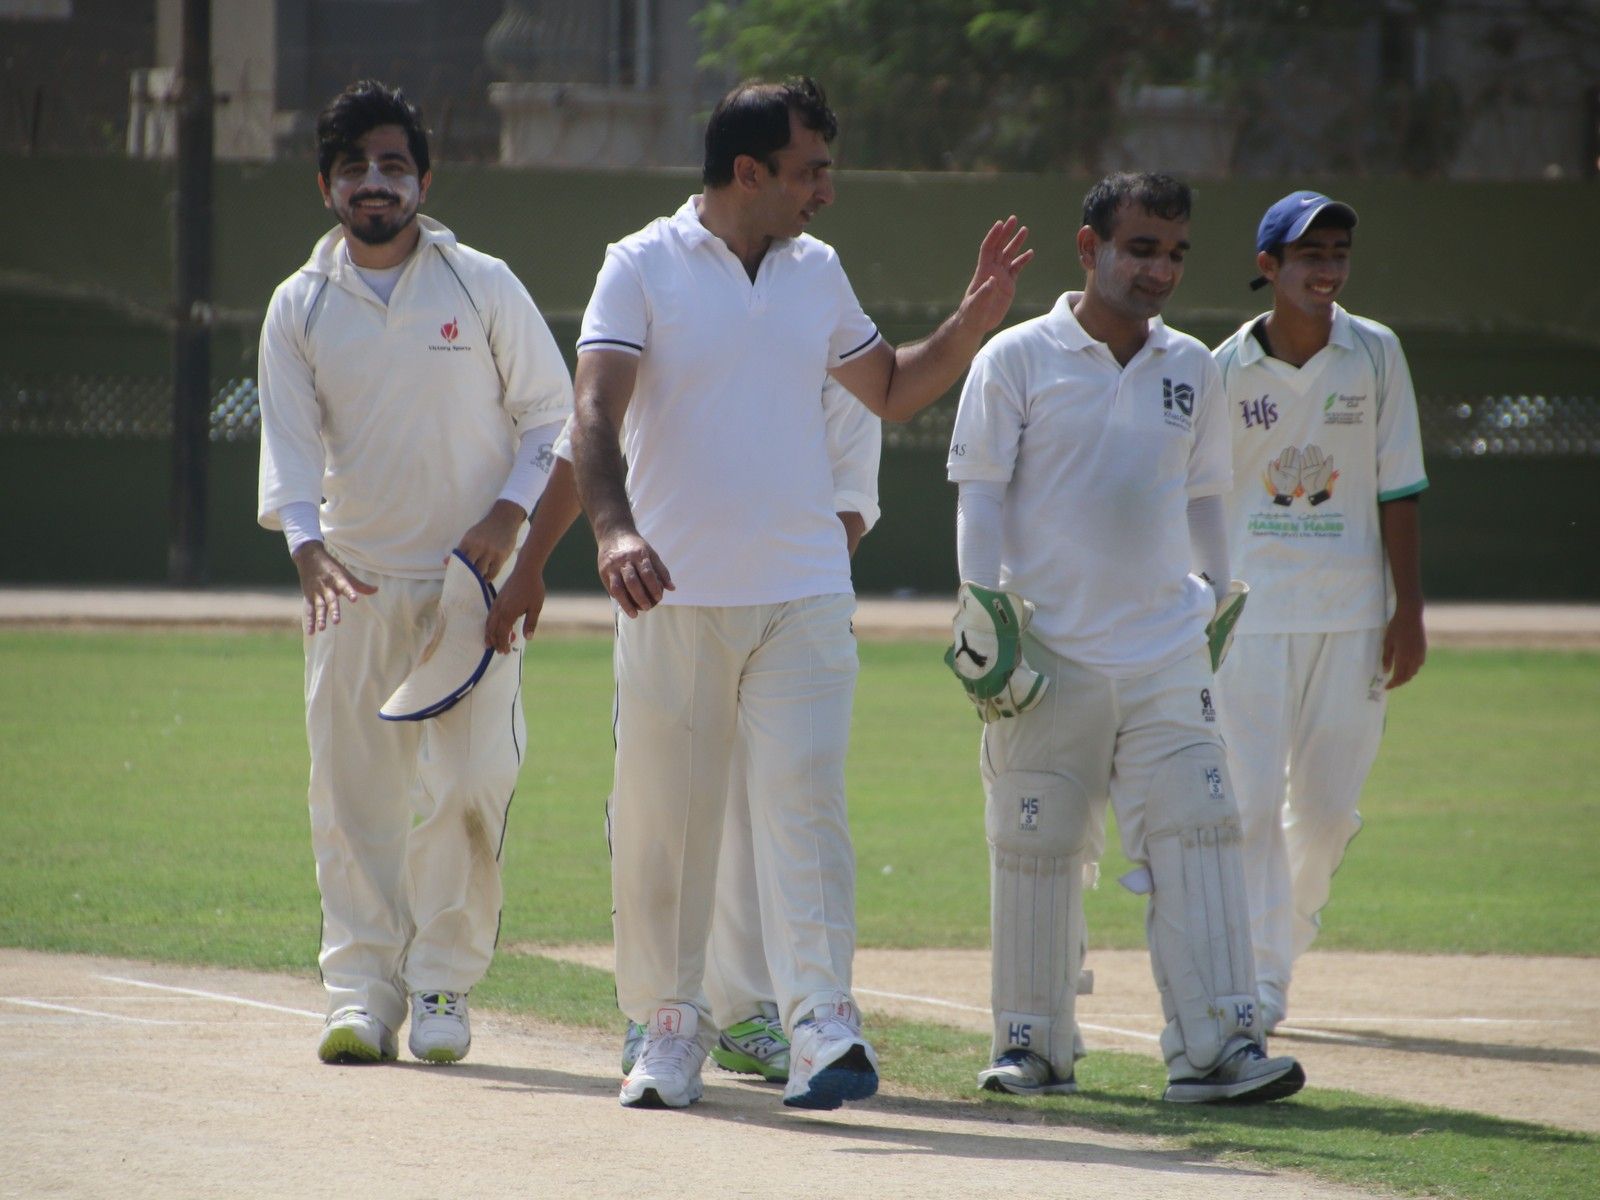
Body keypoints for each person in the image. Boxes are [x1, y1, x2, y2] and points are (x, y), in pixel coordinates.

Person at [567, 75, 1030, 1111]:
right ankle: (669, 1029)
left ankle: (820, 1022)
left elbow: (890, 388)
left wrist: (970, 322)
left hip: (804, 593)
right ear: (749, 171)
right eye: (810, 171)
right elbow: (593, 411)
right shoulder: (638, 265)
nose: (825, 190)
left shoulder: (816, 271)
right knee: (668, 823)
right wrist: (615, 529)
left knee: (805, 807)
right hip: (673, 598)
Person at [944, 172, 1304, 1104]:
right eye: (1142, 249)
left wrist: (1218, 593)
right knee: (1036, 844)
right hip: (1046, 652)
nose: (1160, 270)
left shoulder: (1192, 366)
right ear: (1089, 247)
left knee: (1200, 832)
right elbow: (981, 490)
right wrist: (985, 610)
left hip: (1165, 648)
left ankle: (1218, 1047)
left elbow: (1206, 492)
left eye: (1176, 253)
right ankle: (1031, 1045)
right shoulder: (1017, 358)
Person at [255, 80, 573, 1065]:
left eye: (393, 165)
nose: (374, 182)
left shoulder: (480, 282)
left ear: (424, 183)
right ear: (326, 187)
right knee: (353, 796)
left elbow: (553, 416)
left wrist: (508, 515)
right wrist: (306, 546)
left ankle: (440, 987)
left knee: (472, 783)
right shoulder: (299, 305)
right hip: (352, 581)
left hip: (471, 592)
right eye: (353, 167)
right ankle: (361, 993)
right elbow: (288, 448)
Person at [487, 380, 882, 1086]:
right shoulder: (653, 318)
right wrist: (533, 560)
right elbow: (589, 433)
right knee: (659, 810)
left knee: (781, 807)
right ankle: (659, 1014)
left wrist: (794, 585)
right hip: (671, 603)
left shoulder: (831, 331)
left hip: (788, 612)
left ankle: (748, 1009)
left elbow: (849, 498)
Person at [1212, 191, 1428, 1032]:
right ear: (1269, 267)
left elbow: (1400, 487)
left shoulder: (1376, 353)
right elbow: (1198, 496)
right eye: (1310, 255)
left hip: (1351, 614)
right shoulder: (1223, 368)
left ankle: (1286, 934)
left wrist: (1407, 610)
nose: (1328, 269)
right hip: (1250, 616)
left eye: (1338, 253)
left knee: (1328, 812)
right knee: (1249, 804)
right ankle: (1262, 979)